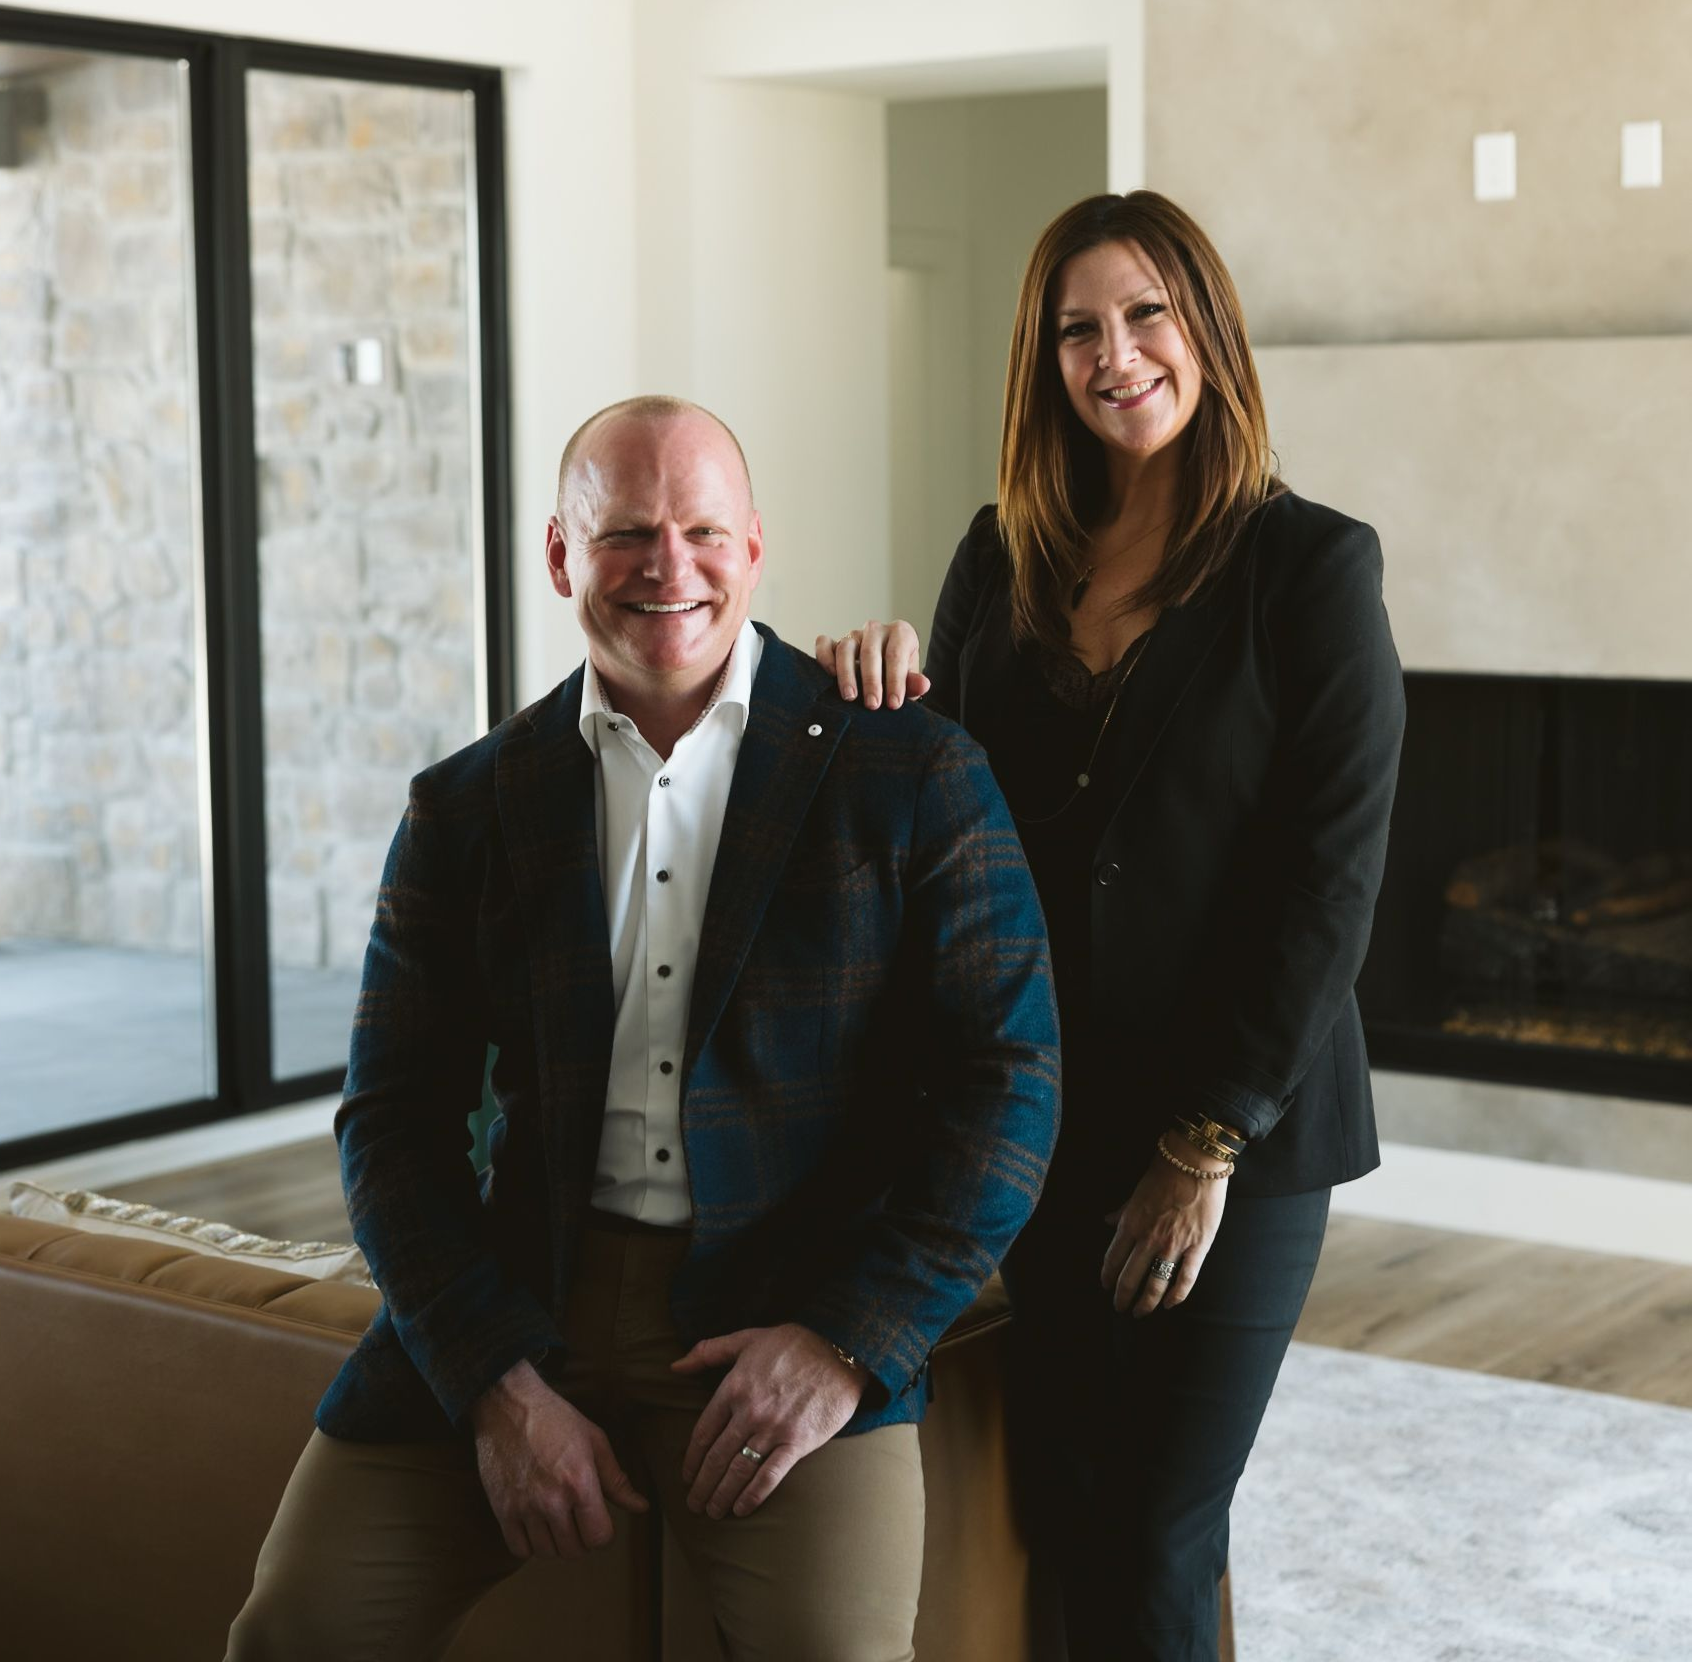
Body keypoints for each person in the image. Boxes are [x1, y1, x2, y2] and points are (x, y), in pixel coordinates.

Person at [227, 395, 1061, 1662]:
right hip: (525, 1295)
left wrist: (847, 1344)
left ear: (755, 547)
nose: (669, 568)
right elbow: (390, 1123)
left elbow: (1016, 1086)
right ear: (562, 556)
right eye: (624, 535)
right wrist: (496, 1383)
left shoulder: (912, 773)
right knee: (296, 1628)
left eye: (703, 531)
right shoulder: (466, 808)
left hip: (794, 1306)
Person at [817, 191, 1405, 1661]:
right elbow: (931, 829)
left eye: (1144, 314)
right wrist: (862, 706)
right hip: (1032, 1121)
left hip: (1236, 1141)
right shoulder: (995, 557)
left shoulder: (1310, 570)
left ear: (1203, 329)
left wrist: (1200, 1144)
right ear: (1042, 360)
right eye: (1076, 327)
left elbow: (1325, 882)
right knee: (1067, 1508)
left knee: (1157, 1524)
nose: (1113, 353)